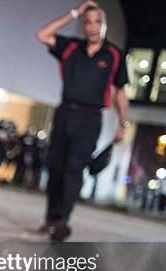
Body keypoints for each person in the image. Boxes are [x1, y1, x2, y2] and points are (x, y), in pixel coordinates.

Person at [36, 0, 130, 241]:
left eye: (98, 21)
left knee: (74, 170)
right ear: (82, 26)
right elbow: (42, 34)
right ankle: (50, 217)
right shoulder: (70, 47)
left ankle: (62, 221)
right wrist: (74, 12)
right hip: (65, 113)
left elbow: (120, 91)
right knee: (55, 168)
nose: (93, 26)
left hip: (90, 118)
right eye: (87, 22)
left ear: (105, 25)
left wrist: (123, 123)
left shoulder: (114, 54)